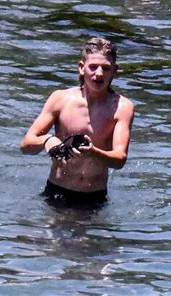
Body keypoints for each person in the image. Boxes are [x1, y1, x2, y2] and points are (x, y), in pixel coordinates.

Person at [20, 37, 135, 207]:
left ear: (114, 71)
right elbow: (25, 146)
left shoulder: (122, 107)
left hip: (94, 199)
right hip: (56, 192)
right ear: (82, 68)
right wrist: (47, 140)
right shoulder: (60, 99)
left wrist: (93, 152)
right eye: (93, 67)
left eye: (106, 68)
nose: (99, 74)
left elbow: (120, 159)